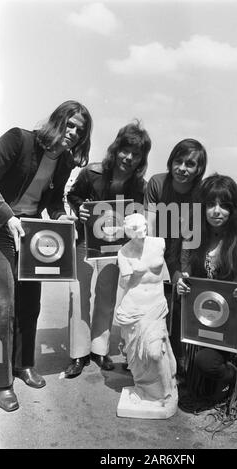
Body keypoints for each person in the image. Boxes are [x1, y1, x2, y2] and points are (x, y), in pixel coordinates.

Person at [0, 100, 93, 412]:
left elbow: (51, 202)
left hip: (31, 234)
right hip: (1, 227)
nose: (74, 133)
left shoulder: (63, 161)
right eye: (70, 125)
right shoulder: (18, 139)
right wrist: (7, 215)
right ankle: (1, 381)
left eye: (80, 131)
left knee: (30, 304)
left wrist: (60, 216)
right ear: (58, 120)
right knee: (3, 308)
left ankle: (23, 365)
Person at [65, 120, 151, 378]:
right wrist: (79, 208)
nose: (129, 157)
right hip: (84, 243)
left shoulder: (140, 185)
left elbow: (137, 216)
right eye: (126, 150)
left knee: (106, 297)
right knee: (78, 296)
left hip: (114, 248)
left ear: (141, 159)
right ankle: (78, 354)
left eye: (136, 154)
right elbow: (73, 195)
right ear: (116, 148)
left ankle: (99, 349)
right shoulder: (91, 172)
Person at [176, 173, 237, 416]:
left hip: (234, 325)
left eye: (224, 205)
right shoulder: (191, 240)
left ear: (233, 210)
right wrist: (182, 286)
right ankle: (219, 380)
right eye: (211, 204)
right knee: (194, 385)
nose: (216, 211)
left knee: (206, 363)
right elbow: (186, 277)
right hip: (202, 320)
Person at [144, 138, 207, 376]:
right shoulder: (157, 183)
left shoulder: (201, 190)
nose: (182, 168)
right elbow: (149, 226)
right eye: (178, 161)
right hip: (159, 249)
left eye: (190, 164)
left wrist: (185, 268)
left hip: (186, 252)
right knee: (155, 307)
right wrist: (152, 263)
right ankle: (149, 359)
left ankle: (181, 364)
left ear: (199, 169)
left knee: (182, 307)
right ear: (171, 161)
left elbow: (198, 232)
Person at [115, 213, 178, 417]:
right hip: (134, 309)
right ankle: (147, 389)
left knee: (154, 352)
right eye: (136, 232)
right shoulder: (124, 252)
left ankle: (167, 391)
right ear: (129, 232)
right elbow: (124, 283)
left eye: (143, 229)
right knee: (137, 355)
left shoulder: (159, 243)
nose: (141, 234)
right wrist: (136, 273)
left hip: (155, 307)